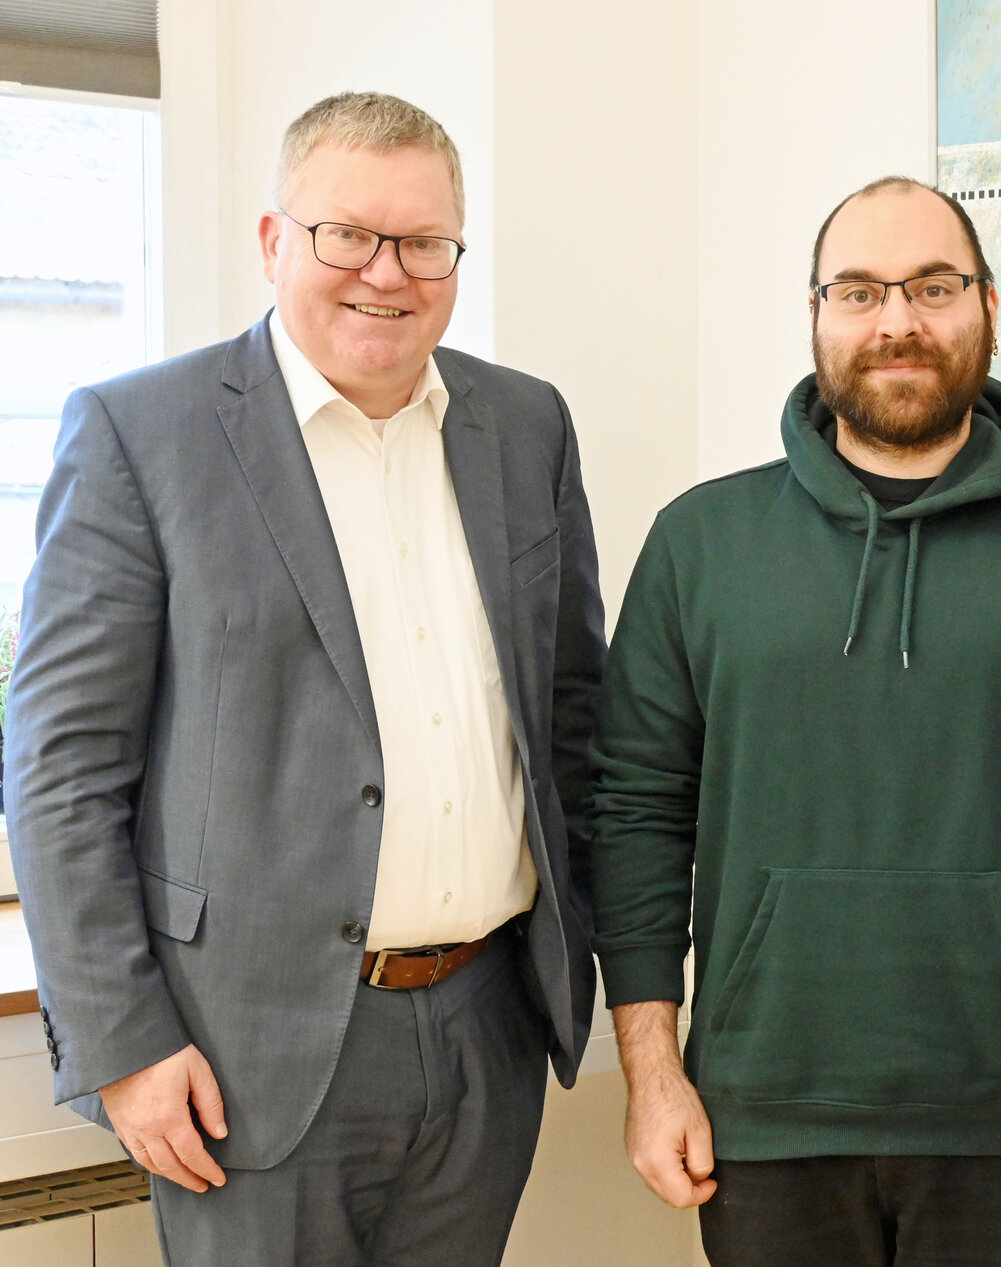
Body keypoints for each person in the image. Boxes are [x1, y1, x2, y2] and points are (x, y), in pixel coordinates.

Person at [4, 91, 605, 1263]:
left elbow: (571, 713)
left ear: (456, 255)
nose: (387, 272)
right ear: (277, 241)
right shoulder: (144, 433)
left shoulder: (526, 426)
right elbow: (61, 769)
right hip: (245, 1048)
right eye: (348, 234)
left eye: (423, 243)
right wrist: (125, 1042)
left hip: (489, 1022)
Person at [587, 175, 1001, 1265]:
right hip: (761, 1119)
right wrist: (653, 1072)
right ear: (817, 314)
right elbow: (637, 816)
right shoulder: (699, 544)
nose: (897, 322)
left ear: (988, 306)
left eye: (933, 287)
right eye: (860, 291)